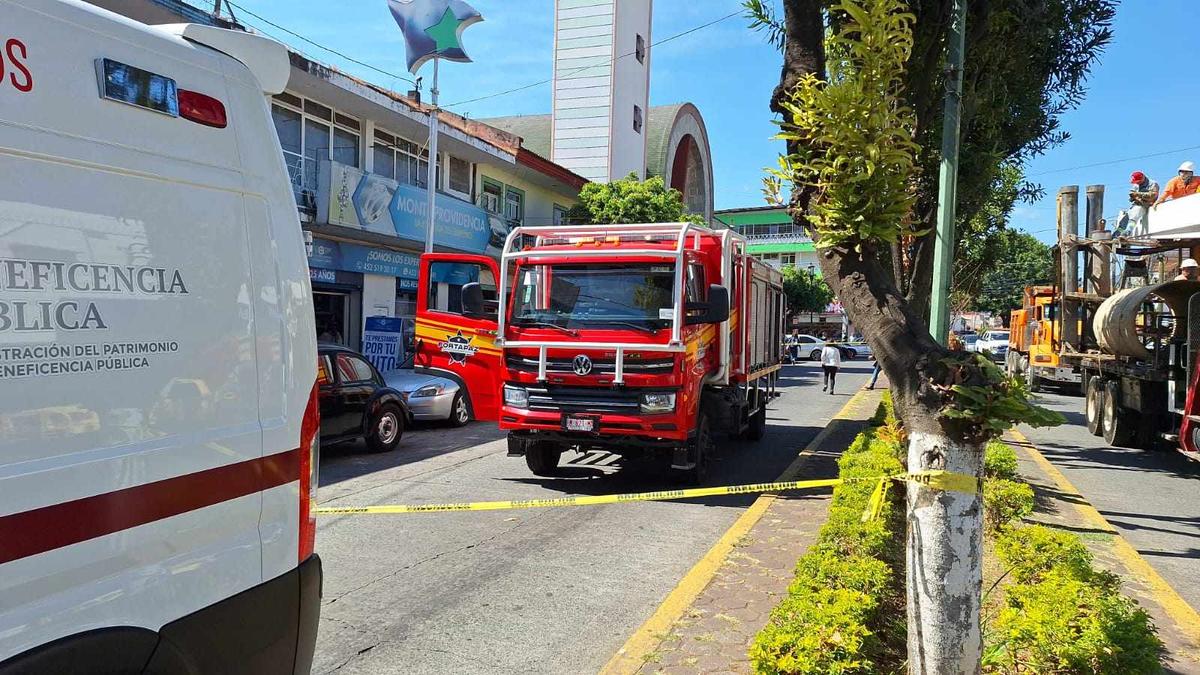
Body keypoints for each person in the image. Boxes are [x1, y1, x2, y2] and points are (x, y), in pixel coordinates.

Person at [1126, 170, 1159, 236]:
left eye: (1137, 182)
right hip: (1137, 204)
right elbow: (1133, 194)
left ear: (1142, 179)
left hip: (1146, 205)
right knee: (1126, 218)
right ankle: (1119, 233)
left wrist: (1138, 194)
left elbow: (1152, 196)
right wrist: (1132, 197)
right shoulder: (1136, 185)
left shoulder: (1153, 184)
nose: (1136, 183)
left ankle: (1128, 230)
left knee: (1135, 214)